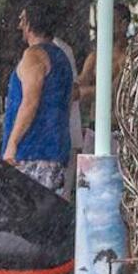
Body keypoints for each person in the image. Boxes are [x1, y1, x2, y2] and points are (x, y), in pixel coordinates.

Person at [1, 1, 74, 196]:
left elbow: (30, 102)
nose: (19, 26)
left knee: (24, 214)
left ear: (30, 23)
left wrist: (12, 143)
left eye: (22, 20)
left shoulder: (33, 55)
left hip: (32, 152)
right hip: (55, 150)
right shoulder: (61, 57)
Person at [51, 33, 84, 200]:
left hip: (63, 135)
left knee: (60, 197)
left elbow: (74, 91)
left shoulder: (60, 50)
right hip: (55, 137)